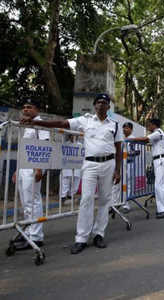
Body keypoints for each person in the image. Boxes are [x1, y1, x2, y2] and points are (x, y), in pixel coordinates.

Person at [20, 93, 123, 253]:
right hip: (90, 164)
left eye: (105, 102)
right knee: (86, 200)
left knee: (104, 200)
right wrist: (34, 122)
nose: (102, 104)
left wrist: (117, 170)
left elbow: (118, 148)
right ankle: (81, 238)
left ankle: (98, 234)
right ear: (94, 106)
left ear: (109, 107)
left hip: (109, 164)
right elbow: (62, 123)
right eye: (99, 102)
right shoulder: (84, 120)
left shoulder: (115, 125)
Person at [12, 98, 49, 249]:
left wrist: (39, 168)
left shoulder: (41, 124)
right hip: (24, 167)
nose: (26, 109)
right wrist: (17, 169)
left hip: (34, 167)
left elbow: (43, 146)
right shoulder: (27, 125)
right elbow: (24, 149)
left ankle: (36, 236)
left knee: (33, 200)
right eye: (24, 107)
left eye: (29, 107)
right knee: (26, 202)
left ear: (37, 110)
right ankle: (28, 231)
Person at [126, 119, 164, 219]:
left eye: (149, 125)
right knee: (162, 185)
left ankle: (163, 210)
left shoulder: (158, 132)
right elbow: (148, 142)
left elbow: (145, 139)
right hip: (160, 160)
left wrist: (132, 139)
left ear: (153, 125)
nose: (147, 127)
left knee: (159, 186)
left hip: (160, 160)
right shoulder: (159, 133)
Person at [112, 122, 136, 213]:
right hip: (121, 164)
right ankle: (116, 203)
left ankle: (126, 204)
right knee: (118, 184)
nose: (124, 129)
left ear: (131, 129)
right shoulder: (122, 139)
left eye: (127, 128)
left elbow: (137, 151)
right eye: (123, 128)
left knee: (128, 184)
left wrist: (126, 154)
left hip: (129, 163)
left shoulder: (133, 139)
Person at [61, 135, 82, 203]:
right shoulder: (65, 144)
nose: (74, 137)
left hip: (76, 167)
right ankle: (63, 197)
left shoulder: (80, 145)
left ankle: (71, 196)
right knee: (65, 182)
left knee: (75, 184)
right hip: (67, 166)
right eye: (72, 136)